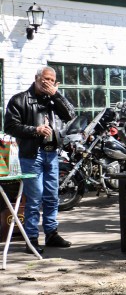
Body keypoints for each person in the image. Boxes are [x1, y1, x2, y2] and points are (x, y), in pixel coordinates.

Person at [4, 66, 75, 253]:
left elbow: (70, 115)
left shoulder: (53, 100)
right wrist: (35, 130)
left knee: (52, 197)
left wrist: (56, 95)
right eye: (45, 79)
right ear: (36, 78)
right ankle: (31, 238)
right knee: (35, 198)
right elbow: (9, 126)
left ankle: (51, 234)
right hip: (31, 155)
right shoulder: (20, 99)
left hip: (52, 154)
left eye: (52, 80)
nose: (48, 83)